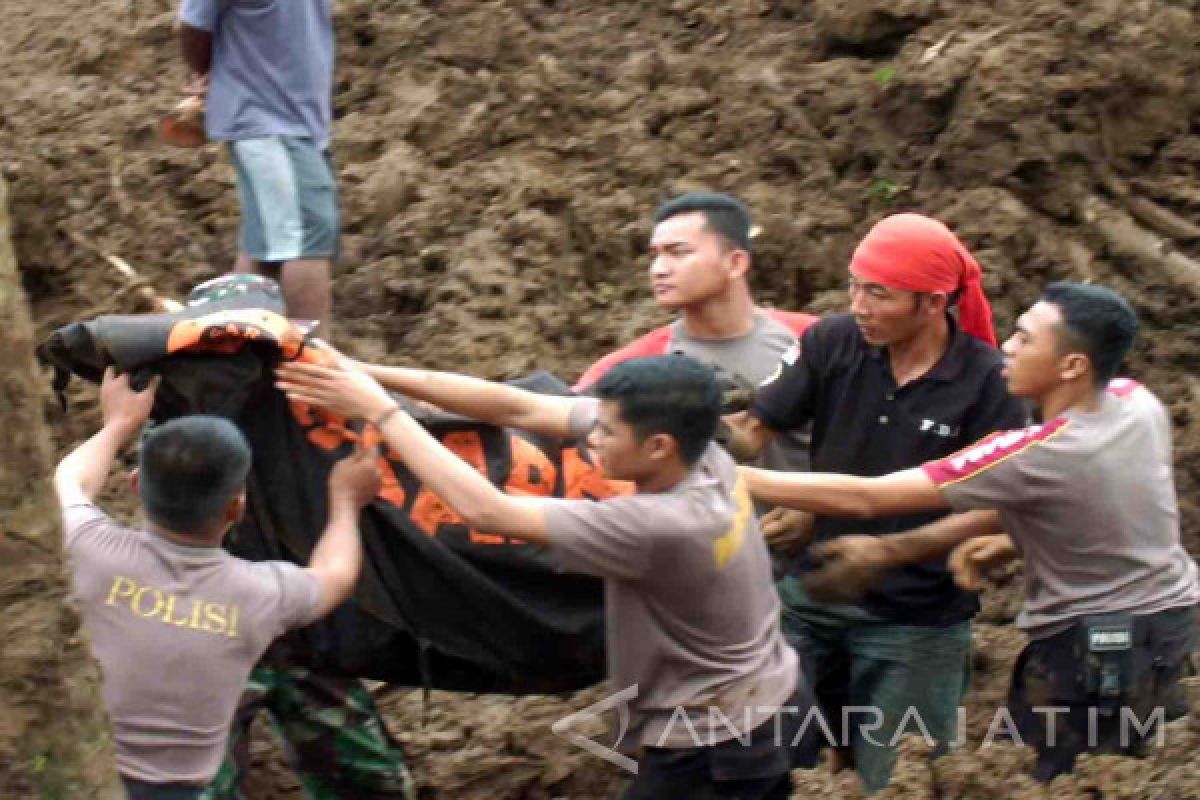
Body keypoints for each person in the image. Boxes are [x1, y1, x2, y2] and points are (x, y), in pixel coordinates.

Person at [277, 353, 819, 799]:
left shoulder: (663, 524)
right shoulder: (703, 459)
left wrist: (382, 414)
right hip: (765, 697)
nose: (591, 440)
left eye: (606, 432)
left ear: (658, 447)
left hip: (716, 740)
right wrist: (365, 374)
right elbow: (519, 406)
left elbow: (488, 512)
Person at [743, 282, 1200, 781]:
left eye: (1025, 339)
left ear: (1072, 366)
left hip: (1095, 647)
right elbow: (1065, 496)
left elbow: (869, 497)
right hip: (1169, 626)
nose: (1007, 346)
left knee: (1043, 780)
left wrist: (727, 477)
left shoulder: (1037, 450)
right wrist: (1001, 540)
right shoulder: (1135, 403)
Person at [724, 213, 1028, 790]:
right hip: (810, 596)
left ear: (934, 303)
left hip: (917, 620)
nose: (858, 304)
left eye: (878, 293)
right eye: (854, 285)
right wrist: (702, 426)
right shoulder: (831, 341)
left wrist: (892, 550)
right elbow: (753, 432)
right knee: (765, 766)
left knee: (900, 778)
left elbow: (996, 504)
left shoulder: (992, 383)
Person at [53, 369, 387, 800]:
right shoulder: (260, 594)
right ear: (237, 507)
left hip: (90, 780)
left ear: (135, 486)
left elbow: (68, 483)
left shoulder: (89, 548)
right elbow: (335, 576)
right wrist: (345, 503)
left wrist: (117, 424)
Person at [575, 191, 818, 548]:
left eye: (678, 253)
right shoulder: (631, 369)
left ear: (735, 263)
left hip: (815, 570)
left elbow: (879, 440)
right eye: (655, 255)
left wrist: (817, 508)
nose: (658, 269)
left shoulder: (815, 342)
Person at [178, 0, 338, 330]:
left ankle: (232, 355)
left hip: (290, 119)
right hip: (267, 117)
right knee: (306, 235)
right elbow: (194, 25)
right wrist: (206, 73)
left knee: (265, 246)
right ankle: (311, 364)